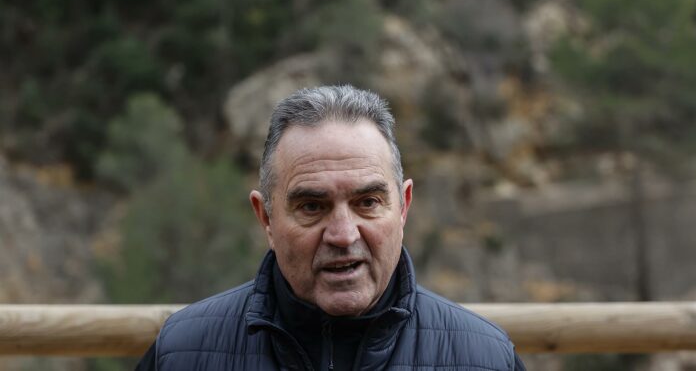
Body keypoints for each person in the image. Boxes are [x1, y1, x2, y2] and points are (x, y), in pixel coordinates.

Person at [136, 85, 525, 370]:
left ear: (403, 207)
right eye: (312, 207)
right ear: (266, 218)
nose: (343, 235)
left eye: (367, 203)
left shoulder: (486, 359)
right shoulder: (180, 354)